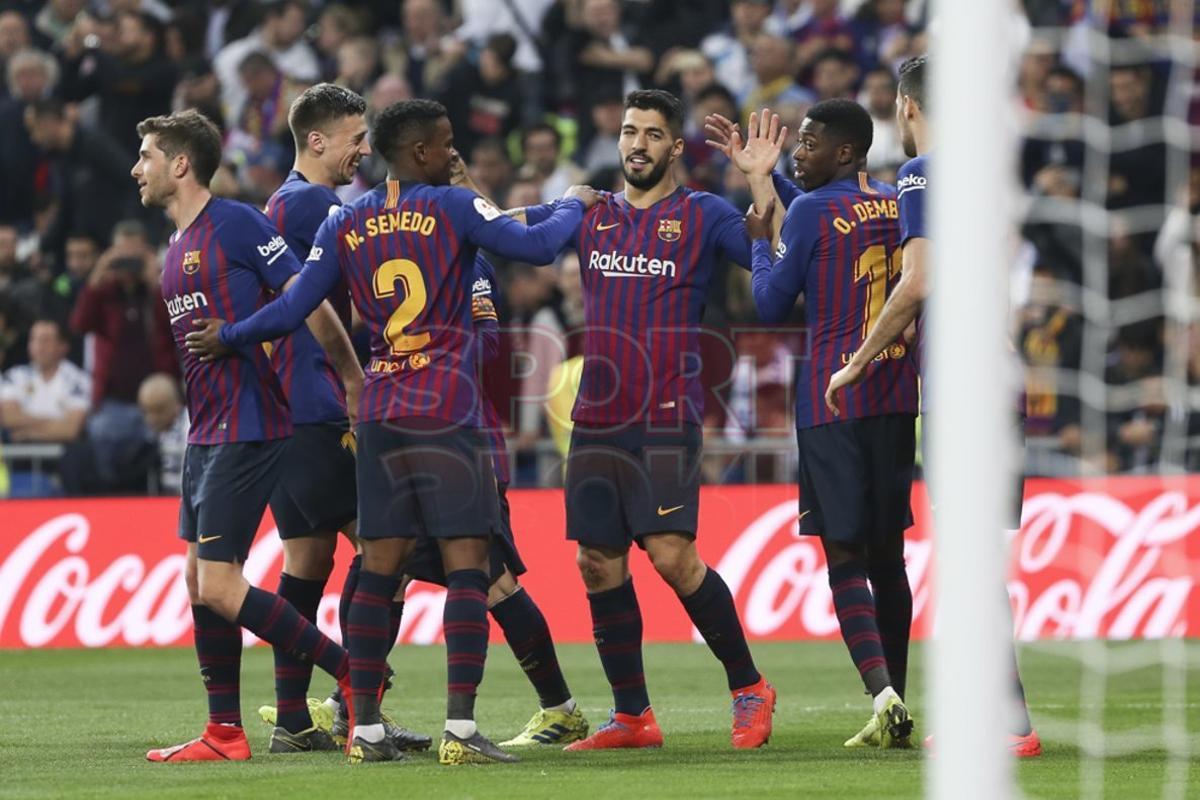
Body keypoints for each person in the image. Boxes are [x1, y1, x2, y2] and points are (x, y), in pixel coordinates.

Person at [184, 98, 593, 764]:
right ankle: (461, 730)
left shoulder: (345, 218)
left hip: (378, 413)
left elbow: (293, 305)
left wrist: (231, 335)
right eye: (447, 142)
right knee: (468, 567)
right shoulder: (453, 206)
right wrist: (574, 202)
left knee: (376, 570)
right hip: (445, 409)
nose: (453, 152)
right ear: (423, 151)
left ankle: (366, 730)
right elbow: (542, 246)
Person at [516, 89, 776, 751]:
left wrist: (759, 179)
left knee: (671, 555)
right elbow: (516, 234)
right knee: (596, 561)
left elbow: (771, 246)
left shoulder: (703, 214)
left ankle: (749, 686)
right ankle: (632, 716)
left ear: (675, 147)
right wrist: (464, 200)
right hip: (596, 416)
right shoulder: (591, 212)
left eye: (653, 134)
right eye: (630, 131)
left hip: (665, 415)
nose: (637, 144)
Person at [824, 55, 1042, 758]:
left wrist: (858, 360)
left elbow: (917, 280)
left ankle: (1008, 725)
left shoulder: (923, 172)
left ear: (905, 106)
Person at [131, 108, 361, 763]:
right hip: (203, 431)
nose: (136, 168)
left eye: (147, 155)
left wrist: (349, 376)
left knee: (220, 583)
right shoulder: (175, 245)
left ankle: (352, 672)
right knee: (196, 581)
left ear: (181, 163)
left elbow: (306, 296)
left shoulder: (236, 223)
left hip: (249, 422)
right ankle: (224, 732)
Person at [236, 82, 430, 755]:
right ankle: (359, 708)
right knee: (390, 550)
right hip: (317, 407)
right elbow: (312, 301)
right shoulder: (312, 203)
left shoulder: (286, 201)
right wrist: (353, 377)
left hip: (284, 410)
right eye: (355, 137)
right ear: (315, 140)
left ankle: (293, 719)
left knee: (309, 561)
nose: (364, 150)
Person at [731, 99, 919, 747]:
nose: (797, 153)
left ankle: (882, 693)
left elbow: (768, 305)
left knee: (844, 554)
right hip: (895, 396)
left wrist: (758, 242)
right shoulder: (894, 200)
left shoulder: (811, 211)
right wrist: (768, 177)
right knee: (889, 556)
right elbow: (826, 214)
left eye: (808, 145)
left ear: (844, 151)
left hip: (832, 401)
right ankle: (898, 697)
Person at [394, 249, 589, 748]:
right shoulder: (398, 244)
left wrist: (421, 359)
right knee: (394, 569)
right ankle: (353, 706)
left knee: (487, 580)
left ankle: (353, 707)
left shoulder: (466, 255)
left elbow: (487, 344)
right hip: (417, 439)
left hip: (466, 444)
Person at [0, 318, 89, 443]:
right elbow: (9, 418)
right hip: (21, 453)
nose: (39, 347)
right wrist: (56, 422)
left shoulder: (79, 380)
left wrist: (27, 433)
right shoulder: (14, 376)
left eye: (46, 340)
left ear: (63, 347)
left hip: (64, 452)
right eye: (33, 340)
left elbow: (71, 430)